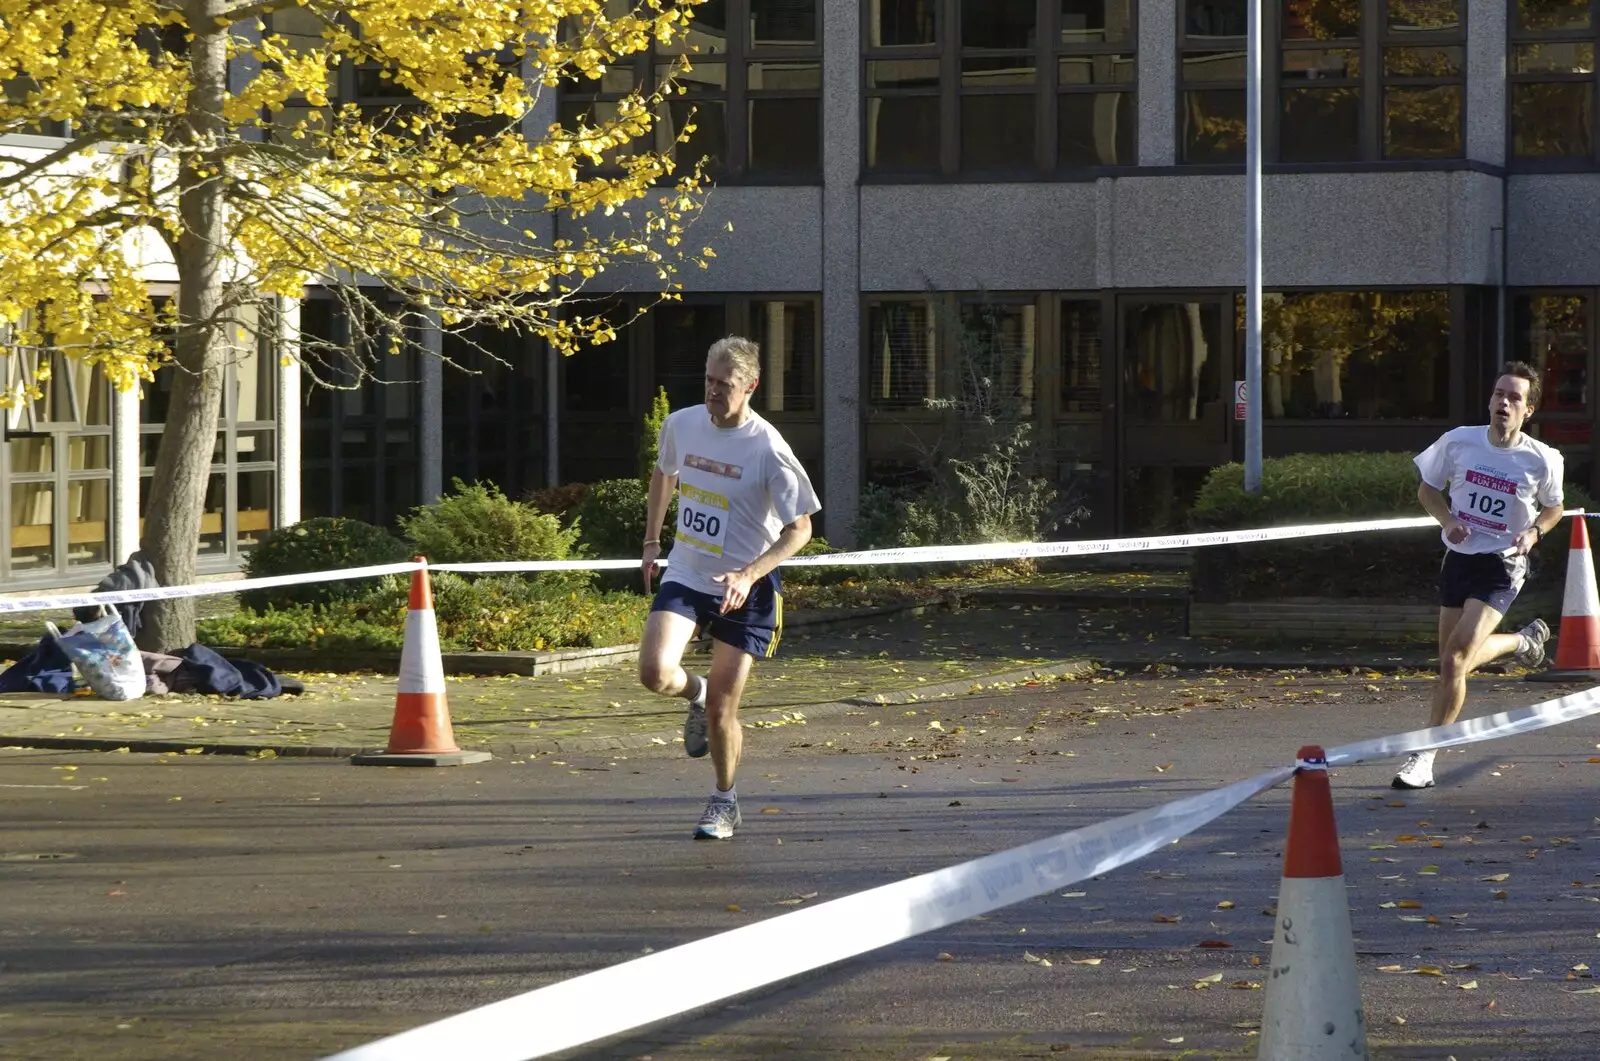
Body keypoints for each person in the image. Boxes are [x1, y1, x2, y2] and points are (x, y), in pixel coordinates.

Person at [637, 336, 820, 838]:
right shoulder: (683, 424)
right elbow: (664, 473)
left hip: (747, 585)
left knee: (724, 709)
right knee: (654, 672)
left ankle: (724, 800)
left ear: (751, 386)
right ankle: (692, 691)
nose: (713, 392)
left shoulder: (769, 449)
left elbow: (800, 529)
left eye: (725, 384)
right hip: (689, 570)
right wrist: (653, 540)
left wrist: (749, 574)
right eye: (708, 380)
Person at [1395, 362, 1565, 790]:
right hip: (1459, 558)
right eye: (1498, 394)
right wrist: (1448, 520)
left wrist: (1535, 531)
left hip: (1503, 564)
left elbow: (1554, 507)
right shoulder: (1458, 442)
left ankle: (1426, 757)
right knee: (1451, 665)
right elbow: (1427, 490)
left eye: (1514, 398)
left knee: (1455, 659)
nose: (1503, 403)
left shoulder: (1541, 458)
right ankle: (1523, 642)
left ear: (1528, 410)